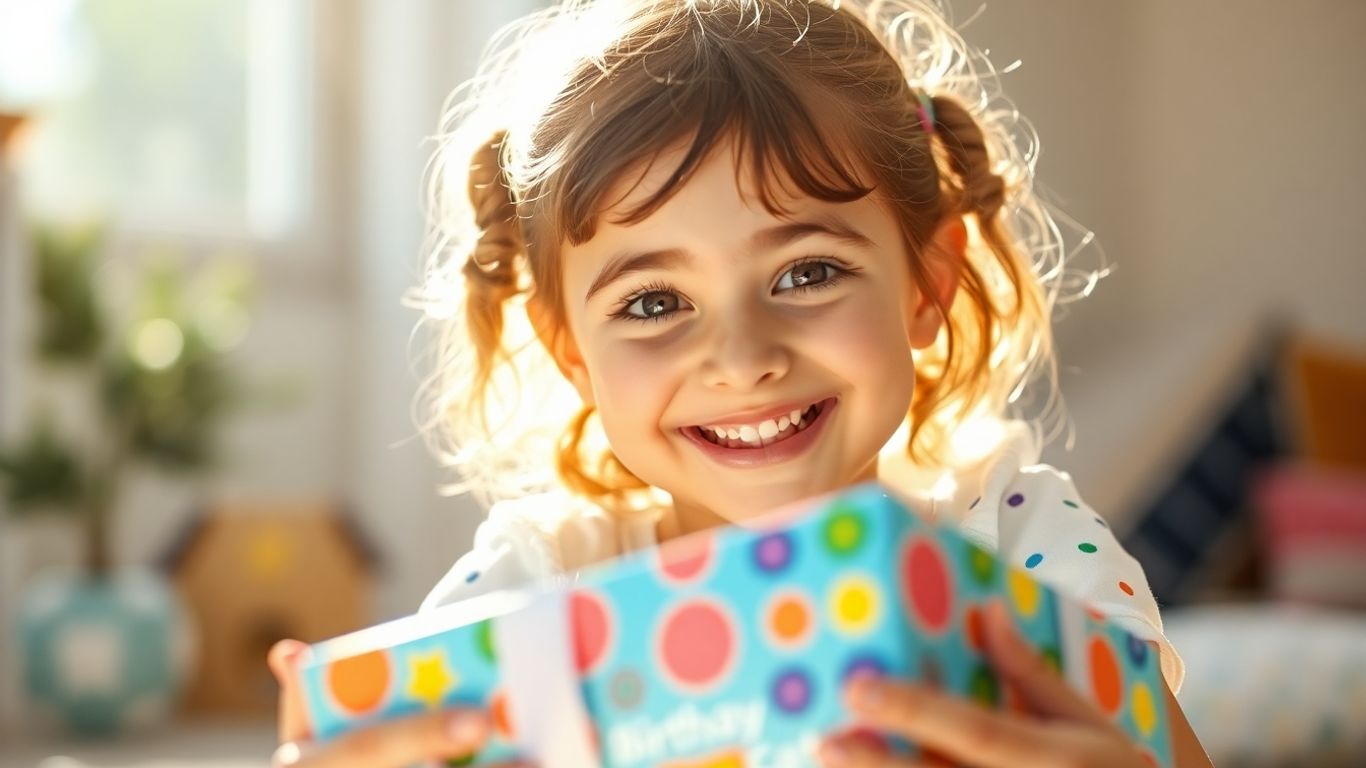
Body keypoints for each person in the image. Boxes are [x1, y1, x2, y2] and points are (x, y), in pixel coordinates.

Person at [269, 0, 1213, 765]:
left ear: (927, 285)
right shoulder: (538, 587)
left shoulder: (1014, 541)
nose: (741, 357)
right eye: (651, 303)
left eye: (807, 273)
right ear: (571, 352)